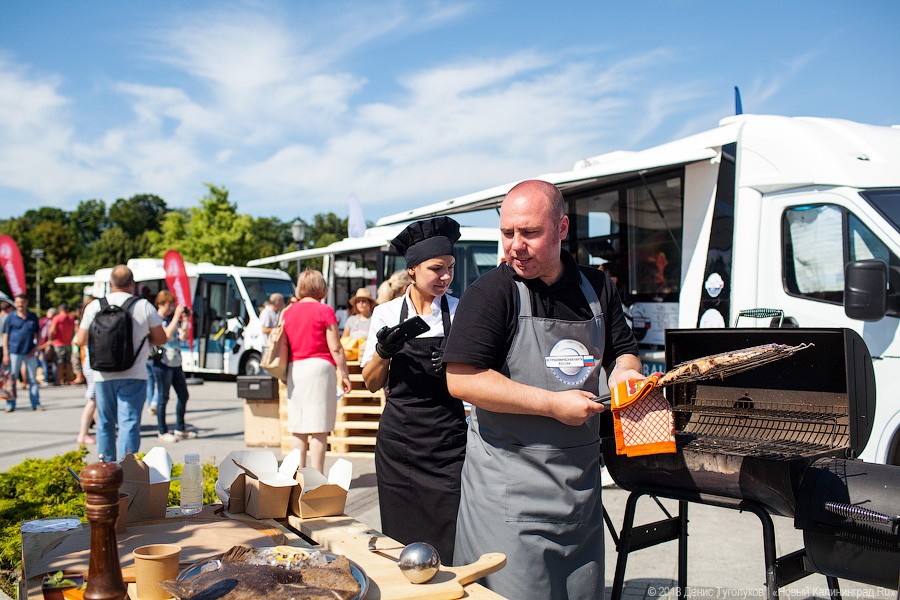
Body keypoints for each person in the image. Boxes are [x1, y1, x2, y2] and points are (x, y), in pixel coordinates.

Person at [443, 180, 643, 599]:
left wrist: (626, 377)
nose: (515, 245)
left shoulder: (598, 288)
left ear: (562, 228)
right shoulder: (491, 293)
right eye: (507, 232)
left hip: (578, 493)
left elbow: (622, 353)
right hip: (508, 499)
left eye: (530, 233)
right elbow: (461, 378)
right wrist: (552, 404)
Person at [360, 216, 467, 564]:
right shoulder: (386, 313)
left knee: (450, 533)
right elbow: (371, 382)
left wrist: (452, 368)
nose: (446, 277)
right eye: (437, 269)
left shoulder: (461, 311)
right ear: (412, 270)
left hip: (448, 442)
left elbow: (478, 377)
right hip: (400, 444)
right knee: (401, 539)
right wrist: (383, 352)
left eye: (451, 268)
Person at [76, 265, 166, 461]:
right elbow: (161, 338)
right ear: (132, 284)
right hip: (134, 373)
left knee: (105, 422)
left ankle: (106, 465)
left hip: (103, 373)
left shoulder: (95, 306)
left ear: (110, 283)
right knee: (129, 423)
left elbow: (80, 340)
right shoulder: (143, 306)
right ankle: (126, 467)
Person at [282, 270, 352, 473]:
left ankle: (298, 476)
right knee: (319, 428)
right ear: (321, 287)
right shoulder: (324, 310)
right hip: (320, 368)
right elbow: (336, 347)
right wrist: (344, 374)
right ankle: (316, 476)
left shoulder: (288, 312)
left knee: (298, 427)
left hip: (295, 368)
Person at [149, 290, 195, 443]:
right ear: (160, 304)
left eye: (172, 306)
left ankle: (180, 428)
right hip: (162, 362)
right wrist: (176, 316)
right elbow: (166, 335)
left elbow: (182, 336)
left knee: (183, 395)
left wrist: (186, 320)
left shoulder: (171, 319)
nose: (170, 309)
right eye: (168, 305)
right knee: (163, 397)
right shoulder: (156, 320)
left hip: (176, 362)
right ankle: (162, 431)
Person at [1, 294, 42, 412]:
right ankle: (10, 404)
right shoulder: (10, 317)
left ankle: (35, 403)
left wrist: (36, 348)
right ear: (15, 303)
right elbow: (5, 335)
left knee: (32, 379)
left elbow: (38, 333)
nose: (20, 304)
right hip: (14, 351)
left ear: (26, 303)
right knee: (11, 379)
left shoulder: (32, 316)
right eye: (18, 302)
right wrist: (5, 353)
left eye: (22, 302)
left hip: (30, 351)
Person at [49, 303, 76, 385]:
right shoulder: (71, 318)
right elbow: (73, 331)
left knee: (59, 362)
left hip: (58, 343)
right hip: (68, 343)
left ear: (60, 309)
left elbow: (52, 330)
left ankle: (58, 381)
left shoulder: (57, 318)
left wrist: (50, 339)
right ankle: (68, 380)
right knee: (68, 362)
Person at [37, 307, 57, 386]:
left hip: (44, 344)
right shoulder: (49, 321)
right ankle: (54, 379)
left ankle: (46, 380)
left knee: (44, 362)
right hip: (50, 344)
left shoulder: (43, 321)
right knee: (52, 362)